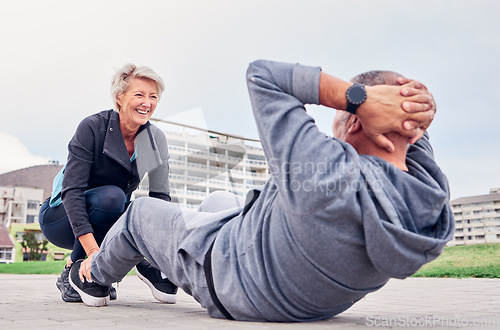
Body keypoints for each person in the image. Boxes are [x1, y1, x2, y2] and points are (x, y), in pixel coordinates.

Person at [68, 60, 454, 322]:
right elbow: (413, 136)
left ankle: (92, 277)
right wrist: (413, 105)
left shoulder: (326, 168)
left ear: (357, 122)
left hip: (233, 283)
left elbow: (264, 75)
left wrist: (359, 98)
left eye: (341, 117)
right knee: (220, 201)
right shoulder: (427, 196)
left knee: (138, 213)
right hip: (310, 297)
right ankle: (159, 262)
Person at [39, 64, 178, 304]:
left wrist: (157, 254)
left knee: (141, 210)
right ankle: (75, 269)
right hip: (61, 217)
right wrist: (94, 252)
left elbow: (160, 200)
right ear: (119, 98)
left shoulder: (154, 140)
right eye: (139, 94)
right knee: (112, 197)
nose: (147, 103)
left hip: (108, 216)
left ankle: (143, 267)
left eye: (153, 97)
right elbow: (72, 192)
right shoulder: (93, 127)